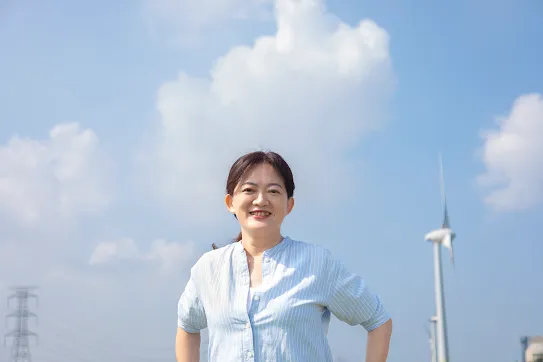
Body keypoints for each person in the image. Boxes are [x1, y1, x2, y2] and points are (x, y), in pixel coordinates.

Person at [175, 151, 392, 362]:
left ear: (289, 205)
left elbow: (378, 319)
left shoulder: (317, 263)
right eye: (249, 189)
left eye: (274, 191)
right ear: (230, 202)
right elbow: (187, 326)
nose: (261, 200)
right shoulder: (208, 268)